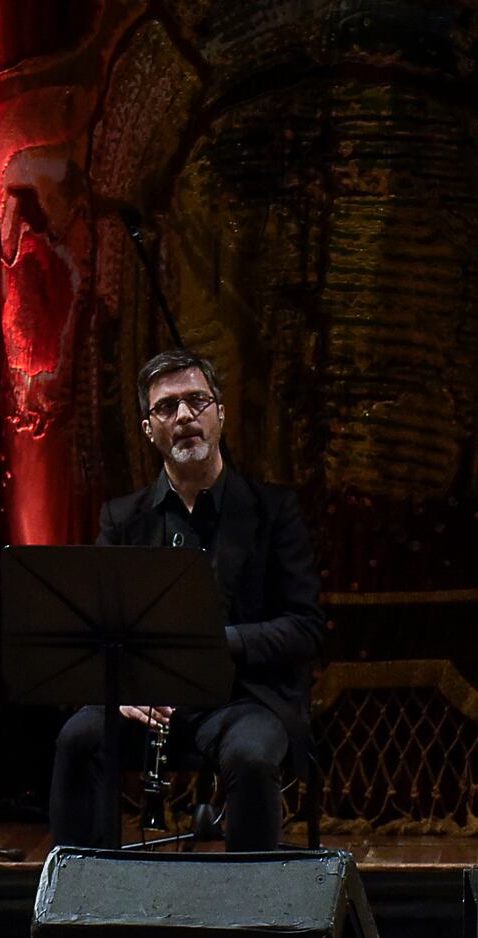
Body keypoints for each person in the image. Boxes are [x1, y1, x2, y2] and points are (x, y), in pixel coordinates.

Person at [49, 350, 324, 851]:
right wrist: (125, 691)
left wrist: (217, 643)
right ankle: (80, 902)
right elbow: (100, 629)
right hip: (151, 703)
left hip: (244, 699)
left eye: (197, 401)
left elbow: (305, 626)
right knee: (78, 738)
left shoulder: (274, 511)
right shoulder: (123, 519)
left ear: (220, 413)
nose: (184, 417)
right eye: (167, 407)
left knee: (252, 756)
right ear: (149, 427)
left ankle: (254, 915)